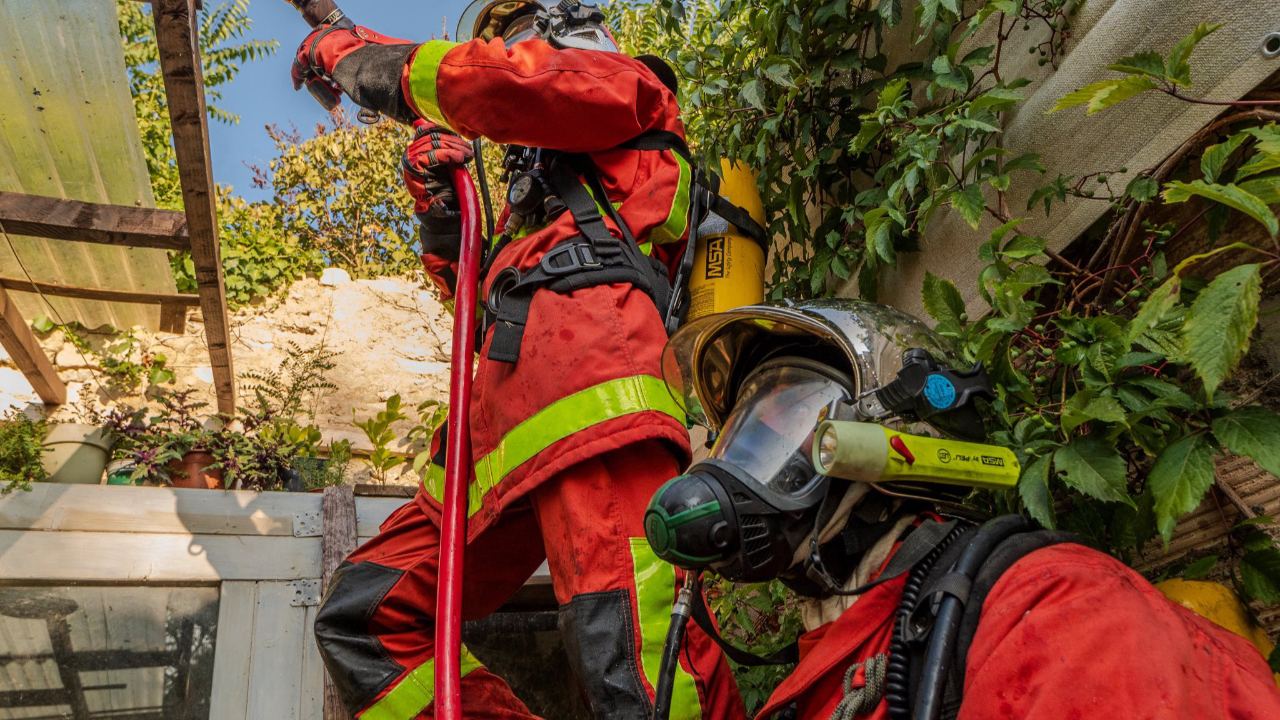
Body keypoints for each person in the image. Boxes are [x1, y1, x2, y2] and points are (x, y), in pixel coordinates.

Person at [293, 2, 748, 719]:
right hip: (492, 446)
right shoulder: (535, 202)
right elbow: (478, 305)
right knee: (364, 623)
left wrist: (362, 61)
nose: (503, 46)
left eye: (510, 33)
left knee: (635, 659)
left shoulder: (628, 90)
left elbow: (518, 86)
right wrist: (442, 207)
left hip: (590, 404)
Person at [644, 298, 1280, 720]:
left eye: (788, 430)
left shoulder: (1050, 609)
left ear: (887, 442)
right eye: (745, 436)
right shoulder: (825, 675)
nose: (737, 470)